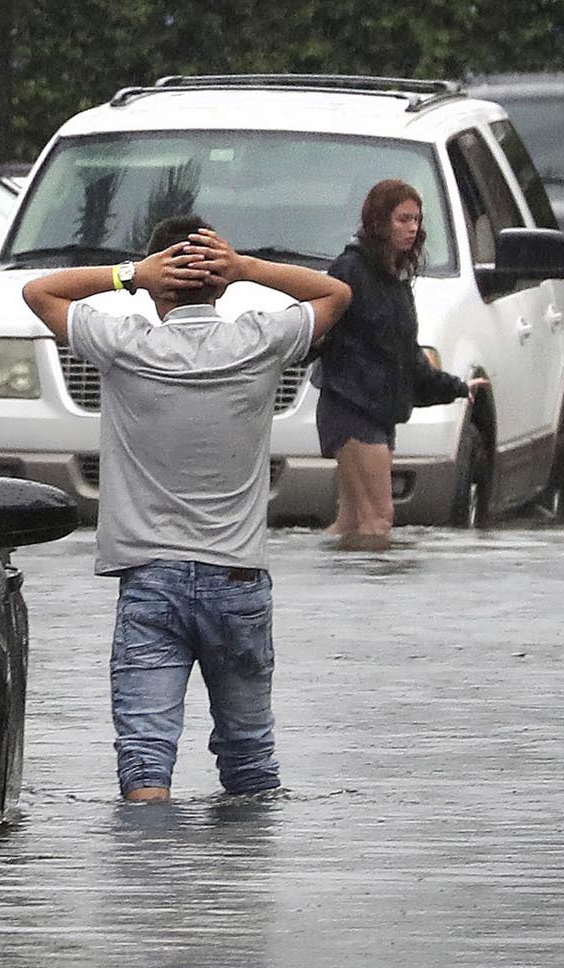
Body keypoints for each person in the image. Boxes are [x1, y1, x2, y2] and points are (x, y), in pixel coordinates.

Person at [22, 214, 350, 803]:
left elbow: (37, 291)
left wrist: (129, 276)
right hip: (239, 580)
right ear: (220, 285)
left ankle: (149, 889)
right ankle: (247, 889)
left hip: (151, 583)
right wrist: (246, 267)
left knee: (145, 765)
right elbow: (336, 293)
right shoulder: (260, 339)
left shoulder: (124, 346)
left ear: (156, 282)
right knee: (251, 761)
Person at [315, 179, 486, 549]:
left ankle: (338, 591)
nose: (411, 228)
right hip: (350, 408)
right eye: (402, 219)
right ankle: (375, 600)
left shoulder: (395, 281)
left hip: (379, 412)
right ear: (379, 222)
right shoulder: (350, 271)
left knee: (352, 521)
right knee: (378, 518)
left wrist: (456, 387)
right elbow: (319, 330)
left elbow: (407, 358)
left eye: (416, 220)